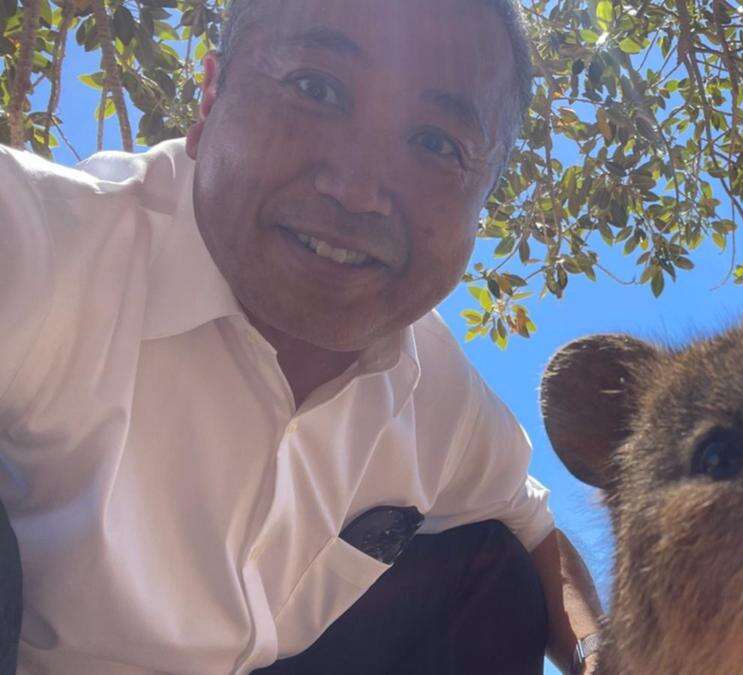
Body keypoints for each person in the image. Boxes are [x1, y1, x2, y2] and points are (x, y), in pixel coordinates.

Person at [0, 0, 604, 673]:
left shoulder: (438, 398)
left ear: (484, 195)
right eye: (316, 89)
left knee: (493, 566)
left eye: (437, 143)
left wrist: (604, 656)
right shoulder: (46, 245)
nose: (356, 188)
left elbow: (534, 529)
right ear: (208, 99)